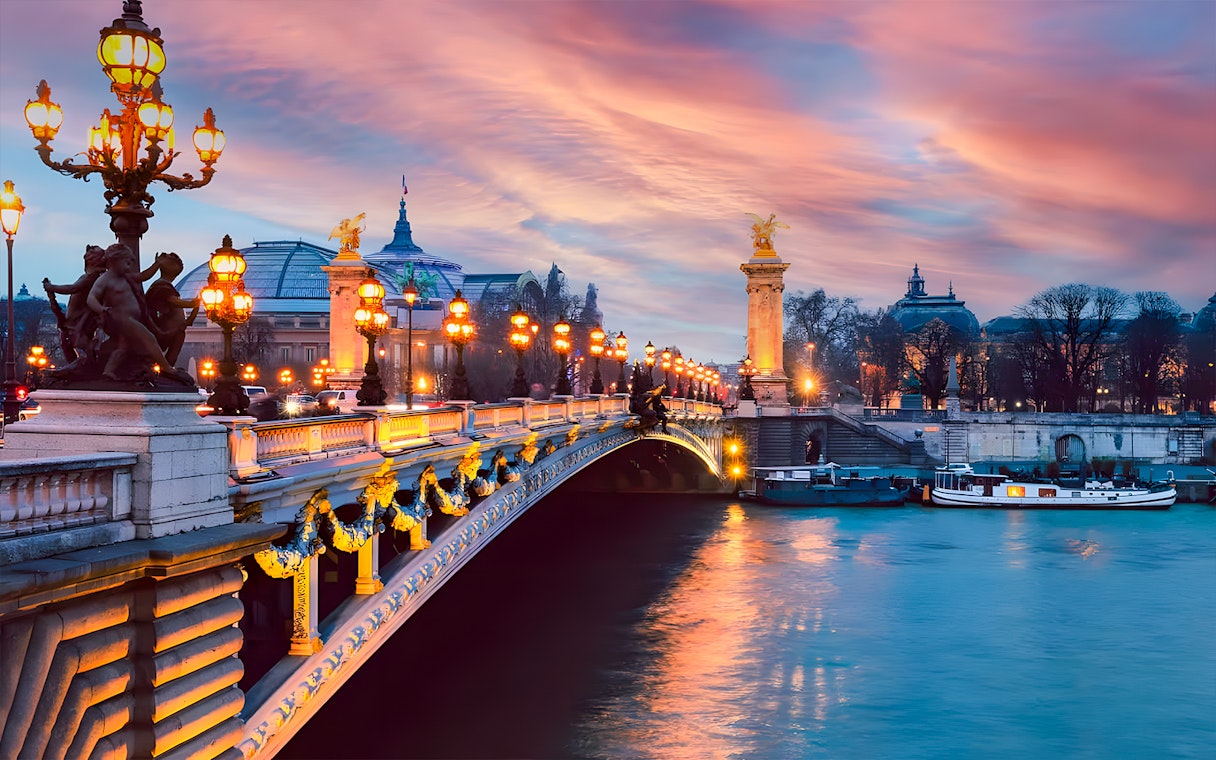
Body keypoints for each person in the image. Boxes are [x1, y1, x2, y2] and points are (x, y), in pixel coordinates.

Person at [86, 243, 194, 385]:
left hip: (130, 319)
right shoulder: (106, 279)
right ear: (114, 261)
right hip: (122, 318)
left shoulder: (125, 277)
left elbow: (144, 276)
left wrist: (157, 264)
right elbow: (91, 298)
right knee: (148, 338)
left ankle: (109, 370)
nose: (129, 266)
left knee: (123, 347)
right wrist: (101, 309)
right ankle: (166, 367)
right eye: (127, 262)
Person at [43, 245, 106, 375]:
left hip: (76, 323)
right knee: (71, 348)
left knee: (80, 350)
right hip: (73, 322)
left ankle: (74, 371)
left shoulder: (91, 277)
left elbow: (72, 288)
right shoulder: (93, 277)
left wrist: (52, 287)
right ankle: (76, 372)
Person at [144, 252, 199, 366]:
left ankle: (168, 370)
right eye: (174, 261)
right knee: (162, 353)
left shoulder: (166, 285)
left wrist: (194, 308)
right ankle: (164, 369)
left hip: (176, 328)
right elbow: (173, 301)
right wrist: (191, 304)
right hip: (166, 329)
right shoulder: (161, 285)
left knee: (173, 354)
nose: (178, 262)